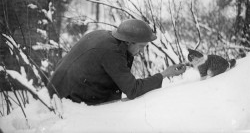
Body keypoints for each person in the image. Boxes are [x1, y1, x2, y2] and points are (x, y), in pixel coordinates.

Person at [47, 19, 186, 105]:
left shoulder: (108, 37)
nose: (142, 51)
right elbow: (133, 89)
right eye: (141, 46)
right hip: (67, 100)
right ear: (129, 41)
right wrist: (164, 74)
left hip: (58, 88)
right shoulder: (112, 51)